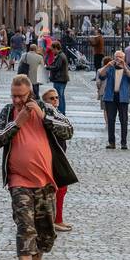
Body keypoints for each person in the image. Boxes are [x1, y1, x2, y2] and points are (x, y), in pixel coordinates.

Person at [0, 74, 75, 260]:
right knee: (25, 226)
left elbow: (69, 130)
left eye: (21, 96)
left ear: (30, 93)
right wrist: (16, 124)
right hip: (18, 180)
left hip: (46, 180)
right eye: (14, 95)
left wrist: (44, 117)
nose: (17, 100)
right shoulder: (8, 112)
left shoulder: (45, 109)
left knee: (45, 231)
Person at [41, 85, 74, 230]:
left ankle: (57, 219)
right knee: (57, 188)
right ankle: (54, 220)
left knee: (61, 188)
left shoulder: (57, 114)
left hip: (60, 155)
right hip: (50, 156)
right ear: (44, 101)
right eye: (51, 98)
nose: (55, 100)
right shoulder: (45, 116)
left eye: (56, 98)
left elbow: (68, 130)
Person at [98, 50, 130, 150]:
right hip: (110, 97)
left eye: (120, 57)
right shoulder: (110, 68)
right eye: (116, 57)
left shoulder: (127, 68)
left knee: (124, 120)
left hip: (123, 97)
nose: (118, 59)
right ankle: (111, 142)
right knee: (110, 120)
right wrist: (107, 65)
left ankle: (123, 143)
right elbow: (100, 75)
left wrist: (124, 66)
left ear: (124, 58)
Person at [48, 41, 69, 113]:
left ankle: (61, 112)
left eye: (52, 50)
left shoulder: (60, 56)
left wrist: (48, 67)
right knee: (61, 96)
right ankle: (62, 112)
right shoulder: (60, 55)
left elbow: (57, 67)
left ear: (56, 48)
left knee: (59, 97)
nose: (52, 52)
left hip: (60, 79)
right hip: (61, 78)